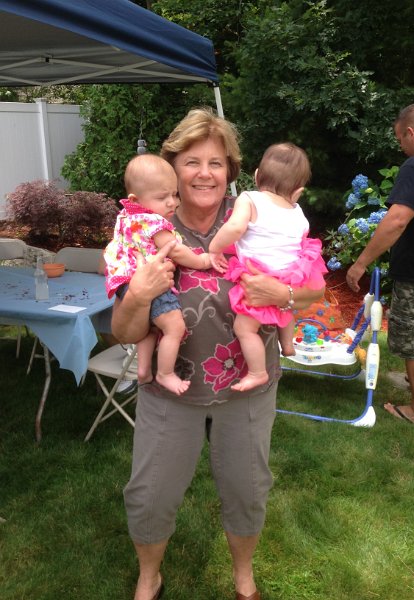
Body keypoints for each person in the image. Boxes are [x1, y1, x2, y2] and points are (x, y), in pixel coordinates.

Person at [111, 107, 323, 600]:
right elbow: (123, 332)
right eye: (191, 162)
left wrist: (284, 295)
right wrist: (139, 295)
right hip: (171, 392)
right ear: (172, 169)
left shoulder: (258, 211)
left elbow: (313, 289)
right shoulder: (145, 225)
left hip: (246, 390)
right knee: (150, 494)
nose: (205, 173)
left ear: (231, 169)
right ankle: (149, 576)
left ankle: (243, 575)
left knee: (247, 491)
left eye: (216, 162)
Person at [346, 103, 414, 426]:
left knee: (412, 340)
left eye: (400, 139)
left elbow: (397, 220)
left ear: (411, 132)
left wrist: (361, 263)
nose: (400, 146)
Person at [104, 153, 226, 395]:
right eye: (162, 197)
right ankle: (165, 373)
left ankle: (143, 370)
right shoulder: (153, 222)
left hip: (125, 279)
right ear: (136, 199)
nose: (172, 203)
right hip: (149, 282)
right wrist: (202, 260)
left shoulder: (127, 217)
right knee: (174, 327)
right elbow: (176, 250)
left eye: (174, 194)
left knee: (151, 328)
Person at [209, 142, 327, 391]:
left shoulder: (249, 199)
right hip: (290, 275)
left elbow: (235, 227)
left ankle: (257, 372)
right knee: (286, 304)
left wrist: (215, 248)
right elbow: (298, 241)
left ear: (256, 176)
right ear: (298, 192)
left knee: (244, 328)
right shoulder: (298, 213)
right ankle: (288, 344)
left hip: (258, 275)